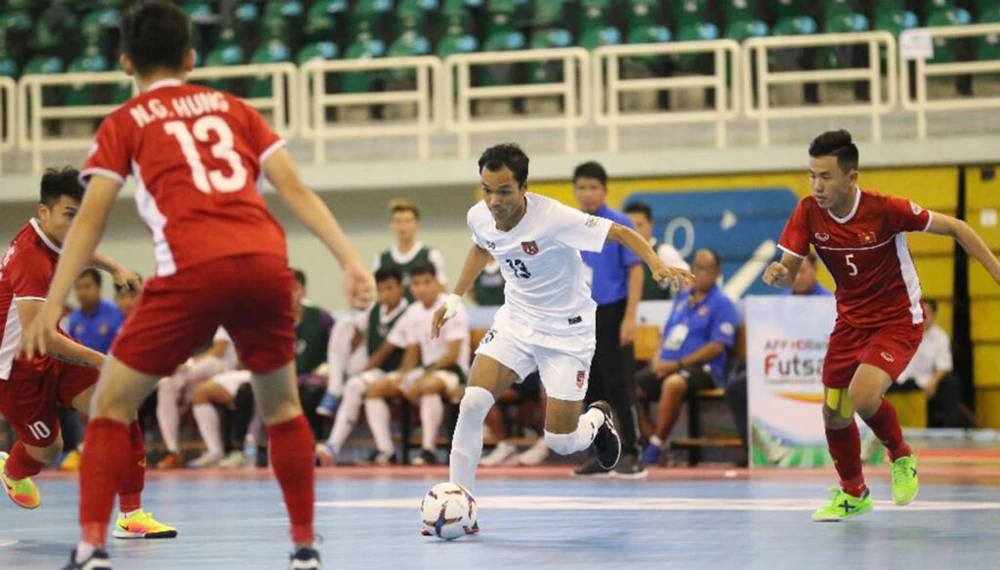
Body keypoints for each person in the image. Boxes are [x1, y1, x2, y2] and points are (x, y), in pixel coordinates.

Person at [21, 4, 374, 569]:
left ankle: (92, 547)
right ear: (191, 57)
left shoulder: (126, 121)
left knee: (110, 404)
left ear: (125, 62)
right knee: (283, 407)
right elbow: (296, 190)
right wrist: (350, 260)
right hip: (265, 262)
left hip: (193, 268)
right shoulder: (235, 108)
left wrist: (54, 301)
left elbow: (90, 220)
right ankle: (305, 547)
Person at [433, 143, 691, 533]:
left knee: (560, 440)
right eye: (487, 190)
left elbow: (622, 233)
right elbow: (480, 248)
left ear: (524, 187)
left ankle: (596, 420)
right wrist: (454, 296)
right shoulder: (479, 216)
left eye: (504, 191)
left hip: (566, 332)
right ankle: (461, 508)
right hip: (517, 322)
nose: (494, 201)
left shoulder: (554, 218)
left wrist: (655, 263)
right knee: (472, 403)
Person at [763, 129, 1000, 521]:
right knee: (833, 412)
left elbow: (958, 227)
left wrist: (995, 270)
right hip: (850, 321)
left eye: (826, 177)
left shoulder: (886, 209)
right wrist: (780, 275)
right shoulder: (807, 211)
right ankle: (853, 493)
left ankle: (901, 455)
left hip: (897, 319)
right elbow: (789, 268)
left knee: (862, 396)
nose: (817, 186)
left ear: (850, 177)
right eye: (812, 176)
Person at [0, 167, 173, 539]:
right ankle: (12, 470)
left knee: (119, 404)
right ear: (44, 212)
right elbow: (41, 339)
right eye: (69, 214)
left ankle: (131, 514)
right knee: (48, 451)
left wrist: (114, 266)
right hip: (16, 369)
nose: (76, 224)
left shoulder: (51, 235)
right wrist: (107, 361)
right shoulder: (29, 259)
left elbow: (76, 249)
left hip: (51, 342)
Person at [572, 162, 646, 478]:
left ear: (604, 190)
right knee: (590, 387)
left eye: (593, 187)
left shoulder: (619, 224)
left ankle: (633, 451)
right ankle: (601, 455)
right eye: (582, 187)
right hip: (581, 316)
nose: (587, 193)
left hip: (613, 312)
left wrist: (630, 317)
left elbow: (636, 270)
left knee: (620, 387)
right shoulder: (570, 224)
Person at [636, 249, 741, 465]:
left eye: (708, 269)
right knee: (632, 387)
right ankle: (653, 438)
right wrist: (658, 360)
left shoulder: (723, 304)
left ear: (718, 273)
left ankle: (657, 443)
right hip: (668, 365)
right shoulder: (682, 299)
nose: (701, 274)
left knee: (673, 384)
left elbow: (717, 346)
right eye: (697, 268)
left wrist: (677, 364)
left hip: (703, 370)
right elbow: (666, 334)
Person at [316, 267, 409, 465]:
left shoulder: (409, 312)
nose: (385, 294)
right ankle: (382, 451)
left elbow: (383, 353)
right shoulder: (374, 311)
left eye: (390, 288)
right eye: (381, 289)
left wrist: (361, 371)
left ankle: (335, 441)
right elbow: (357, 332)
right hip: (379, 371)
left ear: (401, 288)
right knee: (344, 328)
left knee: (357, 386)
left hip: (401, 371)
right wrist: (347, 358)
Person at [154, 326, 236, 469]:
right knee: (166, 384)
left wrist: (189, 364)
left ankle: (178, 386)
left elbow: (218, 351)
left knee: (180, 375)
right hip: (200, 375)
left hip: (225, 367)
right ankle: (173, 451)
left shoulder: (225, 321)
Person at [895, 299, 965, 427]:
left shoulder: (941, 337)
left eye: (926, 312)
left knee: (952, 383)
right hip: (901, 378)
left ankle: (950, 428)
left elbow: (944, 365)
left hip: (926, 381)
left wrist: (934, 381)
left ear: (934, 315)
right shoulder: (903, 331)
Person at [623, 201, 689, 300]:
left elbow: (687, 279)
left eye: (639, 225)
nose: (634, 230)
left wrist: (683, 305)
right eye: (630, 226)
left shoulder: (664, 251)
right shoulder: (620, 253)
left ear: (650, 224)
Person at [68, 269, 124, 355]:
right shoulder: (74, 318)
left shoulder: (116, 312)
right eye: (78, 287)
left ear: (99, 288)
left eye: (87, 286)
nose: (83, 292)